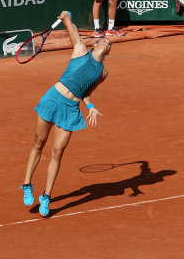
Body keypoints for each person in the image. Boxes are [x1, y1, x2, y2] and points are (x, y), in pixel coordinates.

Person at [20, 11, 111, 217]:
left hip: (70, 109)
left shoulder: (103, 72)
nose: (106, 42)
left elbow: (86, 92)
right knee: (38, 142)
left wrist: (91, 107)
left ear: (107, 52)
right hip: (53, 99)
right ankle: (27, 184)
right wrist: (67, 15)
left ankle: (46, 196)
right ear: (96, 44)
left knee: (58, 152)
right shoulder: (80, 49)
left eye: (109, 43)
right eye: (104, 40)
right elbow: (71, 25)